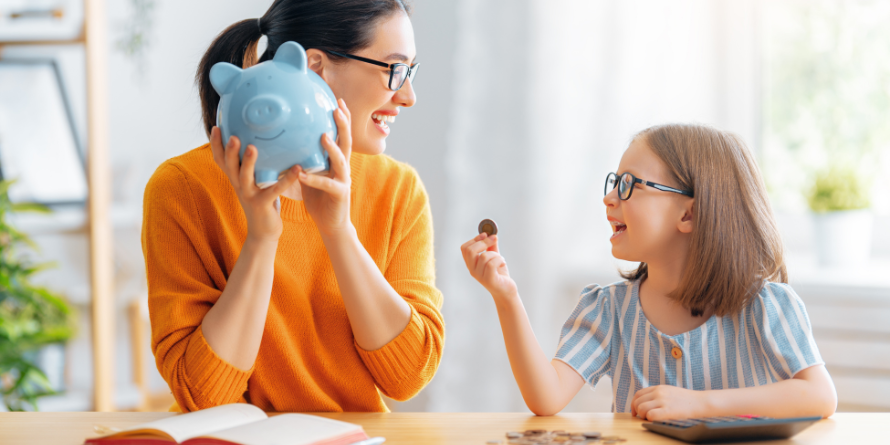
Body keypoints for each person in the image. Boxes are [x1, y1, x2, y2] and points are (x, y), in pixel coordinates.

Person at [143, 0, 444, 412]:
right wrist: (262, 238)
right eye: (393, 69)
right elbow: (202, 395)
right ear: (316, 67)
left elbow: (407, 375)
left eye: (410, 71)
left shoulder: (398, 190)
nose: (408, 96)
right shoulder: (182, 189)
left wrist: (339, 232)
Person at [460, 124, 837, 419]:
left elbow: (819, 395)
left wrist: (699, 405)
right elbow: (547, 397)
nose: (609, 198)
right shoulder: (607, 309)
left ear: (688, 214)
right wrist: (506, 296)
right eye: (614, 182)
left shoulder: (768, 306)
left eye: (628, 185)